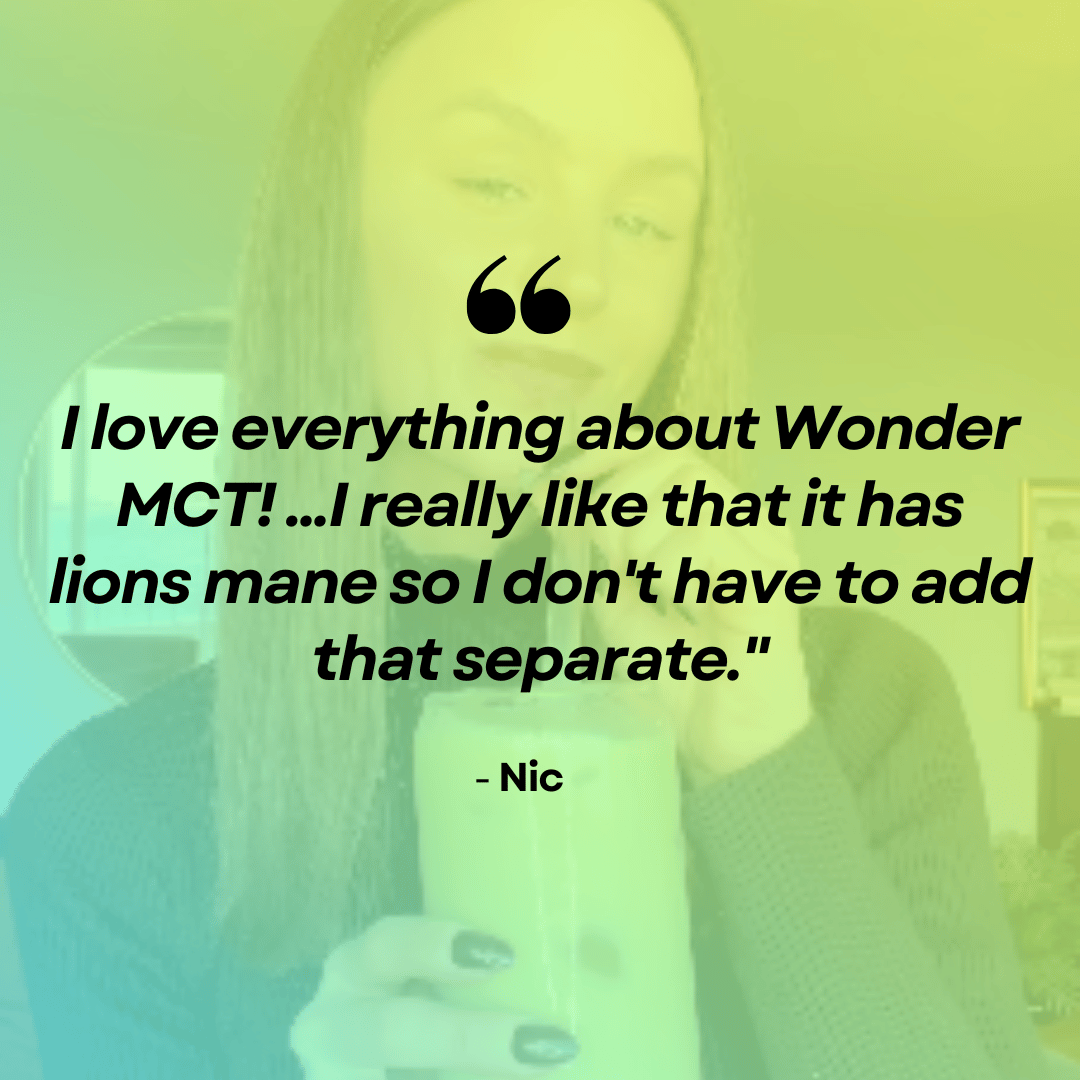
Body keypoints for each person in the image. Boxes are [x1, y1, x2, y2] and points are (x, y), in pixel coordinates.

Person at [1, 0, 1051, 1076]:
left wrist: (767, 774)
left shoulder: (865, 708)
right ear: (327, 222)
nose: (580, 276)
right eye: (495, 183)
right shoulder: (110, 826)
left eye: (645, 222)